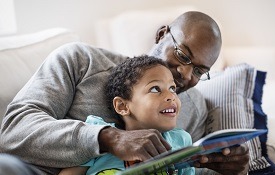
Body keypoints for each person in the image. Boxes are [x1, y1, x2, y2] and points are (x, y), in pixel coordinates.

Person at [0, 11, 249, 175]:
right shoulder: (82, 60)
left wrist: (229, 168)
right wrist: (108, 138)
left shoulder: (192, 105)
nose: (185, 74)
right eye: (183, 55)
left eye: (199, 71)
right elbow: (13, 130)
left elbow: (185, 168)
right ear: (162, 35)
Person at [59, 55, 195, 175]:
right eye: (155, 89)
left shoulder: (181, 141)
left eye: (172, 88)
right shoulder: (100, 137)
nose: (171, 96)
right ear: (122, 106)